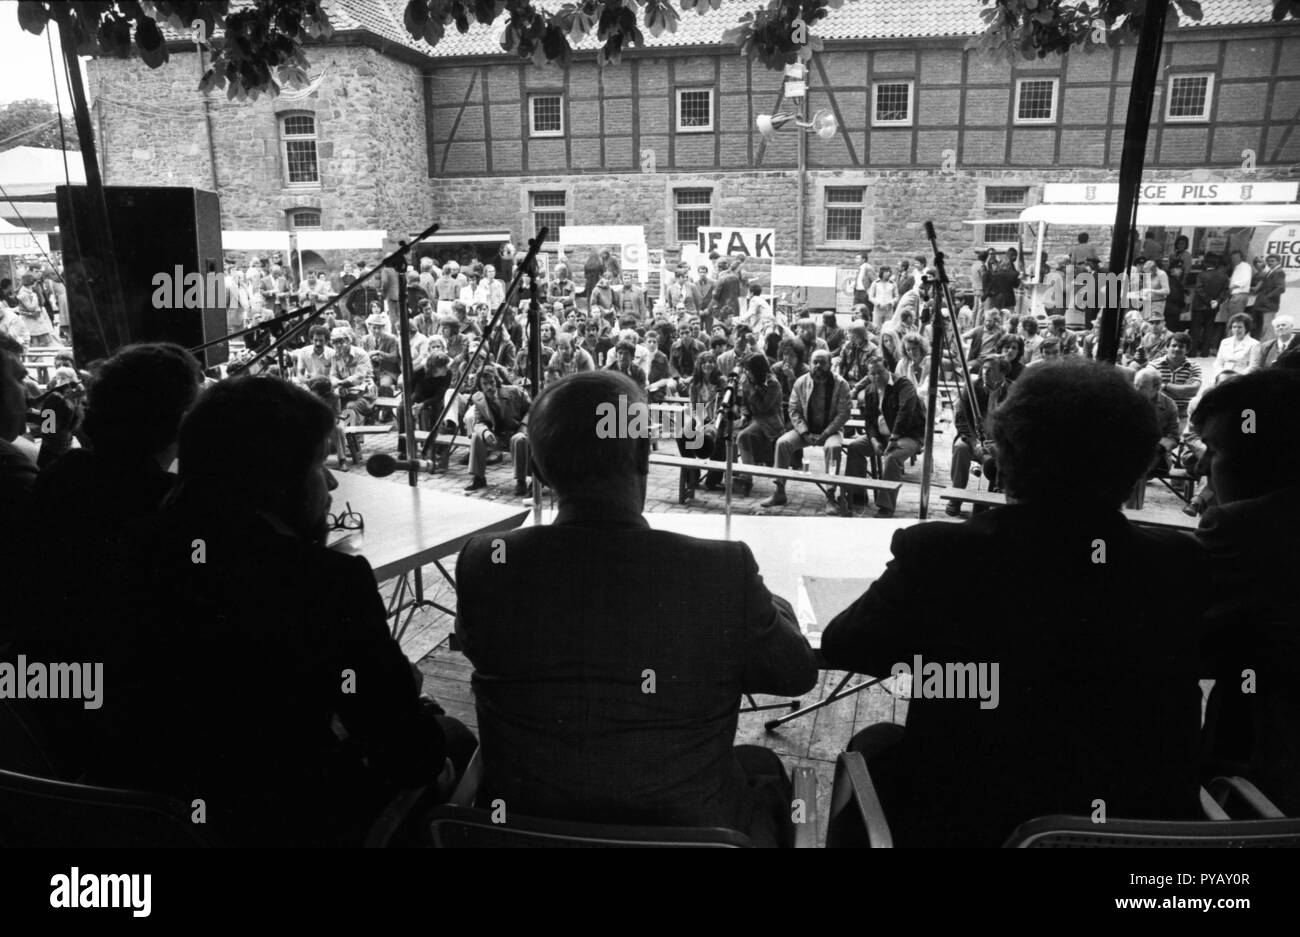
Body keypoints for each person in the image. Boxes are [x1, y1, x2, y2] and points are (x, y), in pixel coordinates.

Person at [822, 360, 1206, 847]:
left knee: (873, 746)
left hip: (970, 825)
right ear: (1137, 464)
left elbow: (844, 644)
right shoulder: (1180, 564)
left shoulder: (944, 553)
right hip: (1142, 843)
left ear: (1007, 451)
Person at [454, 370, 817, 844]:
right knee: (775, 771)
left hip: (525, 829)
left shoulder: (485, 563)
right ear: (645, 454)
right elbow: (797, 674)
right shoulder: (720, 570)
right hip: (699, 831)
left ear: (539, 471)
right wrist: (755, 598)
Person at [112, 377, 474, 846]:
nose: (330, 482)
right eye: (318, 465)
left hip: (149, 814)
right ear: (278, 481)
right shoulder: (324, 582)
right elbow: (409, 754)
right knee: (455, 739)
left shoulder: (135, 546)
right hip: (281, 823)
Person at [1193, 369, 1300, 814]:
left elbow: (1185, 638)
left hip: (1265, 783)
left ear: (1265, 459)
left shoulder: (1243, 528)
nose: (1200, 466)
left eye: (1214, 450)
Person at [762, 349, 849, 508]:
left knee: (834, 448)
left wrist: (826, 433)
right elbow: (794, 410)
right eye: (815, 362)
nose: (818, 366)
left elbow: (843, 413)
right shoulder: (801, 382)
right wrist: (804, 432)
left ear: (830, 365)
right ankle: (779, 491)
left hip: (830, 431)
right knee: (782, 443)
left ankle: (830, 495)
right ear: (809, 364)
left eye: (823, 363)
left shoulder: (841, 384)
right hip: (805, 429)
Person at [843, 357, 924, 518]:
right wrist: (873, 440)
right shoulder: (870, 391)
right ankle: (858, 494)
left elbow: (905, 412)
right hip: (881, 435)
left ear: (888, 370)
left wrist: (894, 438)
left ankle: (886, 506)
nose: (876, 377)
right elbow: (869, 421)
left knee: (892, 457)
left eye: (880, 372)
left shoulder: (903, 385)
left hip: (907, 435)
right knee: (855, 448)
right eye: (872, 374)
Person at [946, 355, 1011, 516]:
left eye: (990, 370)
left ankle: (990, 499)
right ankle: (956, 496)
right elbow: (961, 418)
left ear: (1002, 373)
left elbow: (1016, 424)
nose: (984, 372)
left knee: (998, 458)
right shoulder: (972, 387)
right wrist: (974, 442)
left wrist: (1000, 444)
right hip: (973, 438)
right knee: (960, 448)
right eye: (984, 368)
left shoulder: (1012, 391)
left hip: (999, 442)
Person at [462, 366, 531, 495]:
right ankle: (478, 478)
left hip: (516, 433)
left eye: (492, 382)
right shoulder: (479, 399)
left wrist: (523, 428)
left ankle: (521, 482)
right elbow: (478, 422)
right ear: (480, 386)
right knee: (477, 436)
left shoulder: (515, 392)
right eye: (485, 384)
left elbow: (531, 410)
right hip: (497, 436)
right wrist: (485, 432)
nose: (489, 387)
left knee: (519, 439)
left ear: (497, 381)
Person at [733, 353, 786, 500]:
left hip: (769, 422)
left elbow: (763, 408)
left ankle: (746, 478)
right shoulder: (749, 381)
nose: (746, 373)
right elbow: (744, 403)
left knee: (744, 436)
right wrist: (744, 415)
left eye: (748, 370)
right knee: (727, 431)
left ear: (757, 370)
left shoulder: (773, 384)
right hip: (753, 419)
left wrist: (752, 389)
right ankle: (731, 473)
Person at [1134, 366, 1180, 475]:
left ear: (1156, 387)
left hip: (1155, 454)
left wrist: (1159, 446)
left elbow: (1174, 437)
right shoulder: (1126, 400)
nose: (1136, 390)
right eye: (1135, 385)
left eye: (1142, 387)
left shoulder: (1169, 406)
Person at [1151, 333, 1201, 426]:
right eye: (1173, 345)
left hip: (1182, 413)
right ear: (1167, 347)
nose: (1177, 349)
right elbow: (1150, 390)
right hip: (1158, 410)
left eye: (1181, 346)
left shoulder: (1194, 367)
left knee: (1176, 438)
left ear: (1187, 350)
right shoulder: (1154, 365)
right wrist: (1183, 389)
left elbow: (1193, 391)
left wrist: (1164, 385)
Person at [1192, 253, 1230, 358]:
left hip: (1199, 306)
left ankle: (1193, 352)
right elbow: (1225, 292)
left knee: (1196, 329)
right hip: (1213, 307)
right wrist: (1216, 301)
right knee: (1209, 329)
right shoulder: (1224, 277)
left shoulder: (1201, 275)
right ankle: (1205, 352)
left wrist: (1209, 300)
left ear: (1205, 263)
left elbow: (1199, 290)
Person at [1251, 254, 1286, 341]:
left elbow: (1281, 288)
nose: (1270, 263)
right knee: (1261, 328)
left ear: (1278, 261)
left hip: (1269, 305)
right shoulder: (1271, 271)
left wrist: (1268, 297)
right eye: (1269, 261)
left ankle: (1268, 349)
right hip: (1262, 304)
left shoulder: (1279, 272)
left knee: (1267, 329)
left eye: (1272, 261)